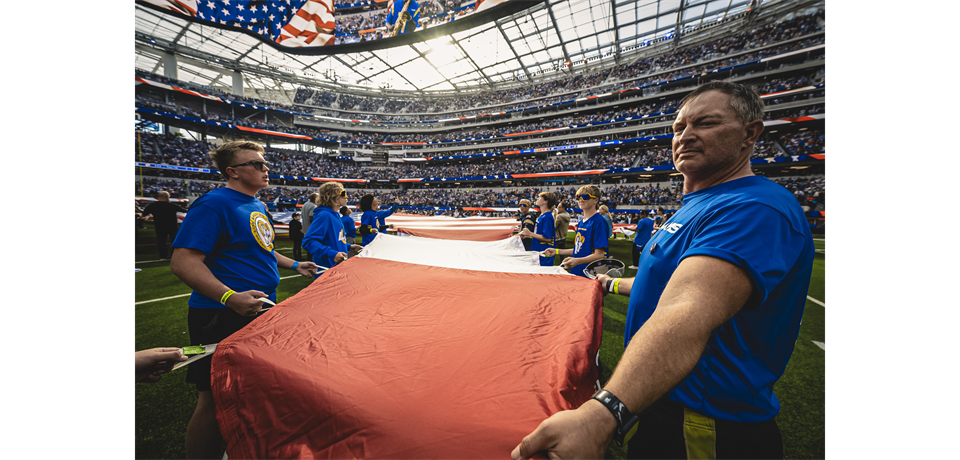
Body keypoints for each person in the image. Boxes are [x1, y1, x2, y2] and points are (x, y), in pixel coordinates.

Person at [511, 82, 814, 460]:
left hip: (703, 422)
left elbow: (687, 309)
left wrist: (606, 412)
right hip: (660, 402)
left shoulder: (753, 206)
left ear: (750, 134)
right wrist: (610, 282)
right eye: (678, 127)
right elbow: (664, 286)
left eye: (705, 123)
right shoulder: (700, 204)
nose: (686, 136)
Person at [169, 140, 318, 460]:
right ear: (232, 172)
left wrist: (294, 264)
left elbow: (261, 249)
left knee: (253, 390)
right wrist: (228, 297)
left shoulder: (257, 205)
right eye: (257, 164)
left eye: (265, 164)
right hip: (220, 315)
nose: (266, 169)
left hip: (260, 310)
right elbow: (183, 262)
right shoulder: (213, 204)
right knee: (212, 399)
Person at [542, 185, 608, 277]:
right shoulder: (581, 222)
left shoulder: (599, 221)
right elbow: (579, 250)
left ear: (596, 200)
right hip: (578, 271)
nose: (580, 200)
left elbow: (599, 255)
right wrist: (557, 251)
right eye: (578, 197)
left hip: (590, 274)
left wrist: (577, 261)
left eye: (585, 197)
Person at [303, 183, 362, 276]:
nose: (347, 197)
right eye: (343, 193)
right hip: (328, 271)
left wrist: (349, 247)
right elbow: (308, 242)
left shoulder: (334, 215)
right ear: (332, 196)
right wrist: (331, 254)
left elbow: (334, 240)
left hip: (337, 270)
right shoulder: (324, 216)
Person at [139, 191, 187, 259]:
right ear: (168, 197)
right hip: (172, 226)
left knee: (161, 241)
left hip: (159, 226)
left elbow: (144, 214)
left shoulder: (153, 205)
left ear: (159, 197)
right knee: (174, 241)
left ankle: (163, 256)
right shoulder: (173, 205)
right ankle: (173, 255)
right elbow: (184, 211)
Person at [520, 192, 558, 266]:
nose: (537, 198)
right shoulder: (543, 215)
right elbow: (539, 235)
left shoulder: (547, 217)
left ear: (546, 201)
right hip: (538, 253)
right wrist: (528, 236)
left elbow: (547, 238)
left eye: (539, 197)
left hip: (543, 255)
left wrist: (530, 233)